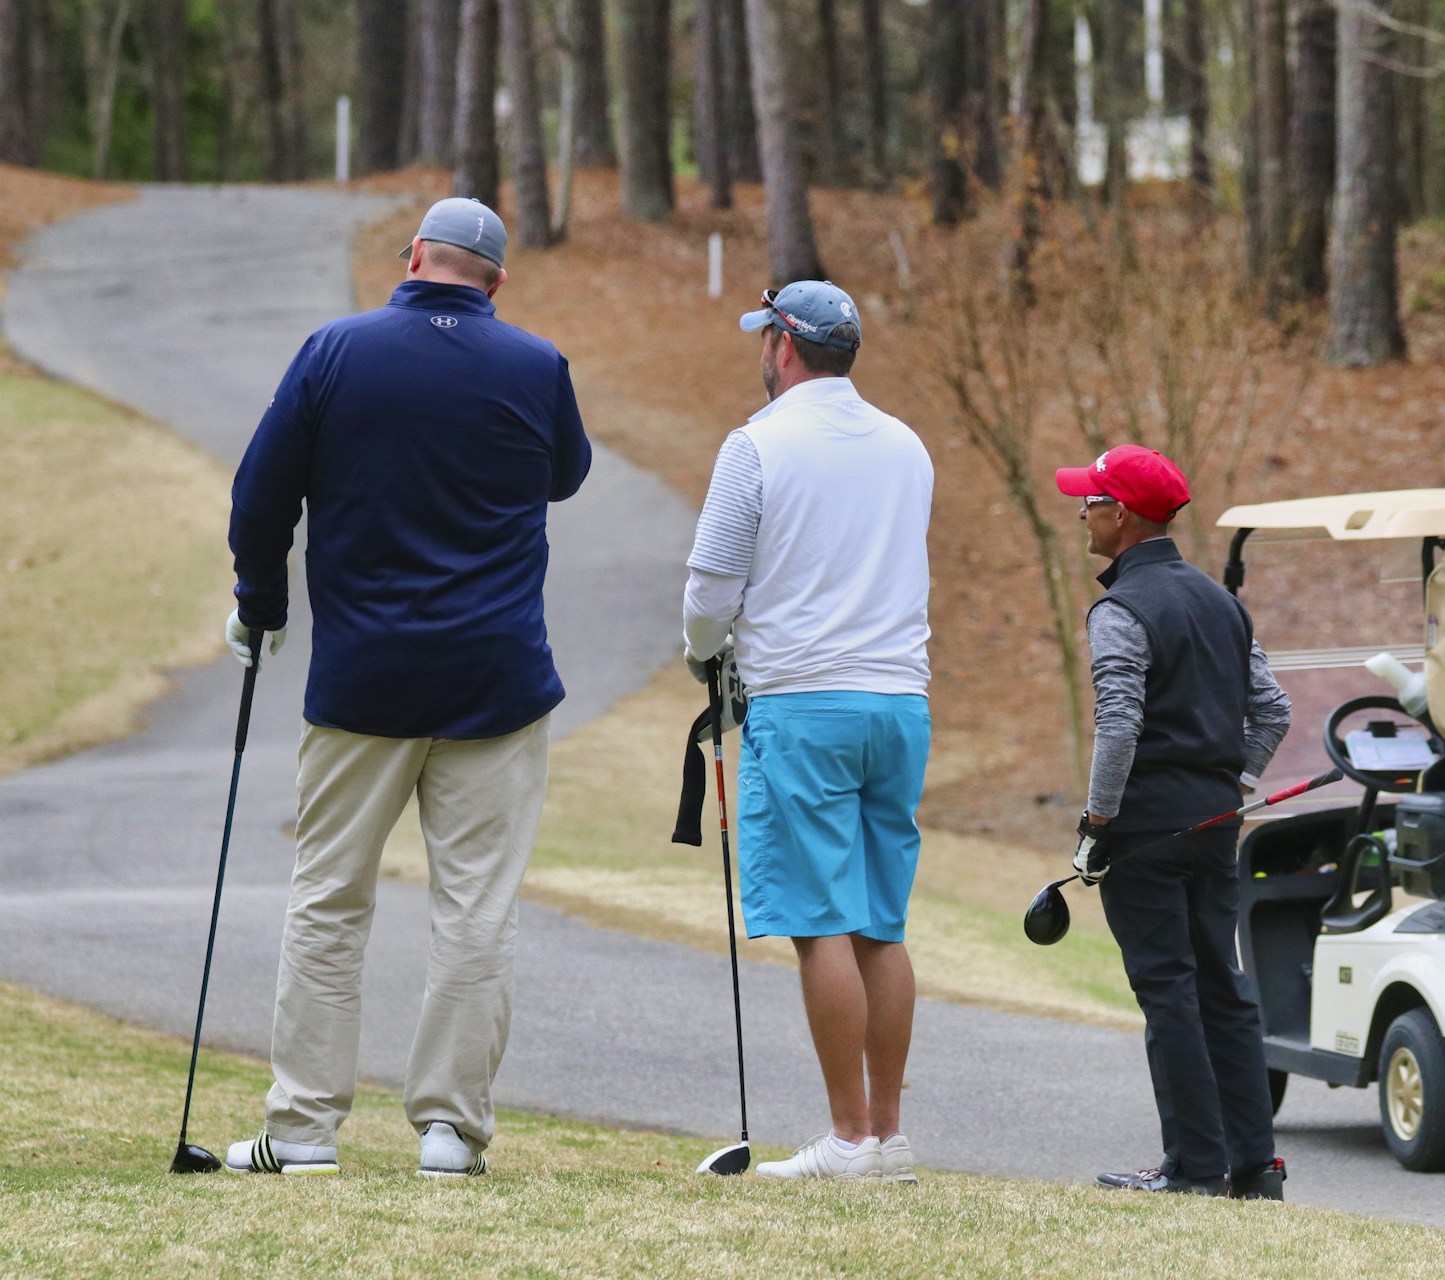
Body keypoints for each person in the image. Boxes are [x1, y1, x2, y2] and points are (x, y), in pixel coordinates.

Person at [221, 197, 591, 1177]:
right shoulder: (537, 366)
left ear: (416, 256)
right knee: (474, 910)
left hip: (361, 681)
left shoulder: (333, 351)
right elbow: (567, 476)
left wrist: (260, 604)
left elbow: (262, 494)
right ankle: (448, 1131)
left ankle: (301, 1127)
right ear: (496, 281)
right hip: (497, 681)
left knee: (329, 901)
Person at [682, 281, 933, 1182]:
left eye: (765, 339)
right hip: (900, 704)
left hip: (803, 702)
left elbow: (712, 587)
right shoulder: (907, 446)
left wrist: (701, 653)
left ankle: (849, 1137)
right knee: (880, 921)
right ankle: (891, 1136)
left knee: (820, 921)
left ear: (784, 347)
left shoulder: (755, 446)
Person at [1054, 445, 1292, 1200]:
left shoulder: (1120, 608)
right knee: (1221, 988)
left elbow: (1119, 724)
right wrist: (1236, 781)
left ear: (1120, 515)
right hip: (1217, 824)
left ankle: (1192, 1168)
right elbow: (1274, 710)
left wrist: (1097, 820)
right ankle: (1255, 1168)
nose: (1081, 512)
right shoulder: (1220, 600)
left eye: (1089, 501)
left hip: (1147, 833)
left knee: (1169, 992)